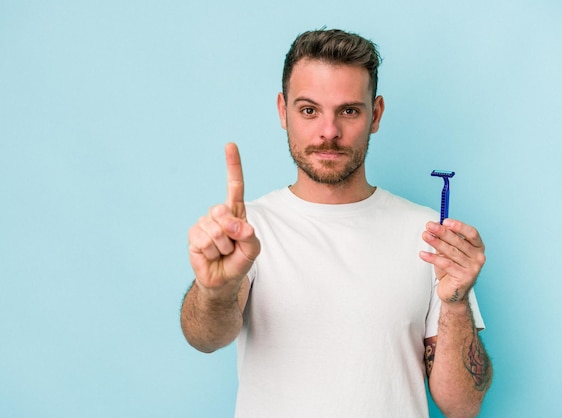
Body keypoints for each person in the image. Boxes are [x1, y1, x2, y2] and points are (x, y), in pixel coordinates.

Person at [180, 29, 492, 417]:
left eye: (348, 111)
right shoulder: (248, 232)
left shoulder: (429, 235)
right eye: (309, 110)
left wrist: (457, 303)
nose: (328, 132)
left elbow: (462, 406)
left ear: (375, 114)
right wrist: (214, 290)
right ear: (283, 111)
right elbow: (206, 338)